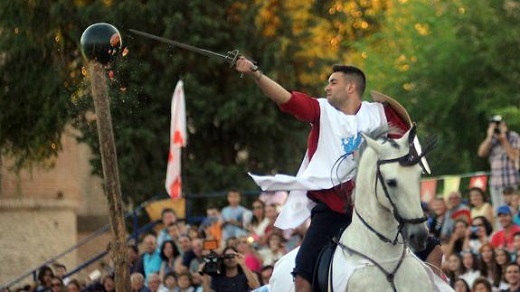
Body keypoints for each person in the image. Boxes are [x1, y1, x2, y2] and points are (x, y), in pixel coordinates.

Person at [235, 58, 411, 291]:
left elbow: (406, 146)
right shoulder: (321, 110)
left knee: (434, 250)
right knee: (301, 275)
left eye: (333, 82)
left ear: (351, 87)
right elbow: (285, 98)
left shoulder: (379, 113)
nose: (327, 87)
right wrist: (256, 73)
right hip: (333, 210)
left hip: (378, 209)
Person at [478, 115, 519, 208]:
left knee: (512, 210)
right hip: (496, 183)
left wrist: (503, 139)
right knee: (499, 213)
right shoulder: (491, 139)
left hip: (511, 182)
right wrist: (489, 137)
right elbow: (481, 153)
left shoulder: (513, 137)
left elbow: (514, 156)